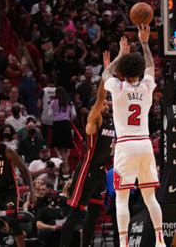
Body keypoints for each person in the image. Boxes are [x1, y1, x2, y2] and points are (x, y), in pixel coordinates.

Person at [102, 26, 165, 247]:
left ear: (122, 71)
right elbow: (151, 66)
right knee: (150, 197)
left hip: (126, 146)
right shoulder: (147, 86)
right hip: (145, 144)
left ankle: (124, 243)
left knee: (122, 198)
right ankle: (159, 240)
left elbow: (105, 74)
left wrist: (121, 53)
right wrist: (145, 43)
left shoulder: (118, 88)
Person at [60, 55, 115, 247]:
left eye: (109, 102)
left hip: (100, 171)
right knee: (75, 215)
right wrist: (106, 74)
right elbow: (100, 97)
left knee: (93, 216)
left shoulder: (112, 122)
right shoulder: (95, 119)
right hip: (87, 169)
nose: (107, 103)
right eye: (104, 103)